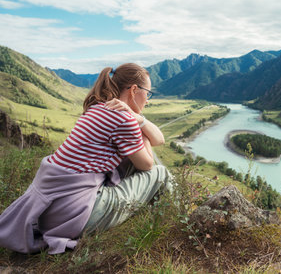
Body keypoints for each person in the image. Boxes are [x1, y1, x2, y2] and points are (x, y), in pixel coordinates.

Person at [0, 63, 172, 254]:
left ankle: (160, 218)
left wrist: (139, 119)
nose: (147, 100)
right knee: (161, 173)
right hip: (75, 218)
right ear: (133, 90)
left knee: (131, 158)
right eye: (147, 93)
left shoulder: (97, 108)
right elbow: (148, 165)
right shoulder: (123, 120)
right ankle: (175, 224)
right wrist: (137, 123)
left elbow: (161, 139)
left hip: (49, 215)